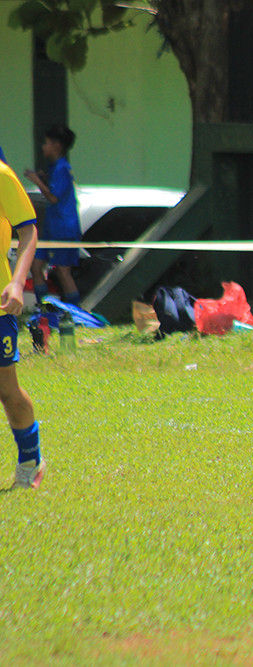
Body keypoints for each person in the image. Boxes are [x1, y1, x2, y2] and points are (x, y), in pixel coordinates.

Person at [0, 158, 45, 489]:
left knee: (6, 389)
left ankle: (31, 460)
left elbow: (28, 231)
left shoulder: (2, 175)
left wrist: (17, 282)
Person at [24, 124, 82, 307]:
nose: (43, 147)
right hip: (51, 227)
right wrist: (43, 178)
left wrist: (36, 181)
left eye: (46, 143)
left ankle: (74, 311)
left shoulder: (62, 168)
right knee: (35, 266)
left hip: (64, 228)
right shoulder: (54, 167)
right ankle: (43, 308)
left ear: (56, 146)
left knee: (63, 271)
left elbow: (54, 197)